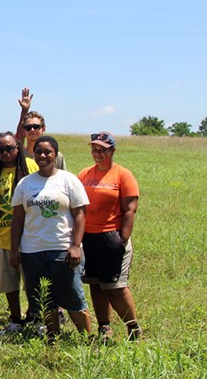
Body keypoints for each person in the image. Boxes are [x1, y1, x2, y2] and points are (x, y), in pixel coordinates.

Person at [10, 136, 91, 337]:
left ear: (56, 154)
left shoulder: (68, 180)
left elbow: (80, 214)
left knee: (73, 296)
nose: (43, 156)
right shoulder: (25, 183)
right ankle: (52, 337)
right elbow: (18, 219)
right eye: (39, 152)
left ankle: (88, 339)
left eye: (48, 152)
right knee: (44, 298)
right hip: (32, 250)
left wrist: (76, 245)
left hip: (62, 249)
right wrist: (15, 249)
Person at [78, 132, 142, 341]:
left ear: (112, 151)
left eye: (102, 149)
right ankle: (104, 327)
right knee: (95, 283)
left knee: (114, 287)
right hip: (89, 237)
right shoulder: (85, 174)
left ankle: (133, 327)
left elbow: (130, 210)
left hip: (112, 236)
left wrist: (122, 240)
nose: (97, 153)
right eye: (94, 149)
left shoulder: (123, 175)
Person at [0, 132, 38, 334]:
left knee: (33, 281)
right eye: (0, 150)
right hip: (2, 239)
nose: (5, 153)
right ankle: (15, 318)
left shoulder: (31, 167)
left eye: (9, 148)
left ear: (18, 147)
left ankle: (34, 316)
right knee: (9, 282)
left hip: (31, 237)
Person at [15, 88, 67, 169]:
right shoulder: (19, 156)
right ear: (24, 131)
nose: (32, 130)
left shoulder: (56, 156)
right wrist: (24, 110)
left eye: (36, 127)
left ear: (43, 129)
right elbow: (18, 140)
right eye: (28, 127)